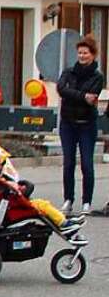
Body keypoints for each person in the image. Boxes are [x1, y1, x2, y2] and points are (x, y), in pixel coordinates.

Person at [57, 34, 105, 215]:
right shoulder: (68, 72)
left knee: (86, 163)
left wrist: (77, 95)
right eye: (80, 53)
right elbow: (62, 90)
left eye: (85, 53)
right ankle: (68, 199)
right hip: (68, 124)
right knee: (68, 163)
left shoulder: (97, 77)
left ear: (93, 55)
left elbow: (91, 95)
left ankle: (87, 202)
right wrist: (82, 96)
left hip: (87, 125)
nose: (82, 56)